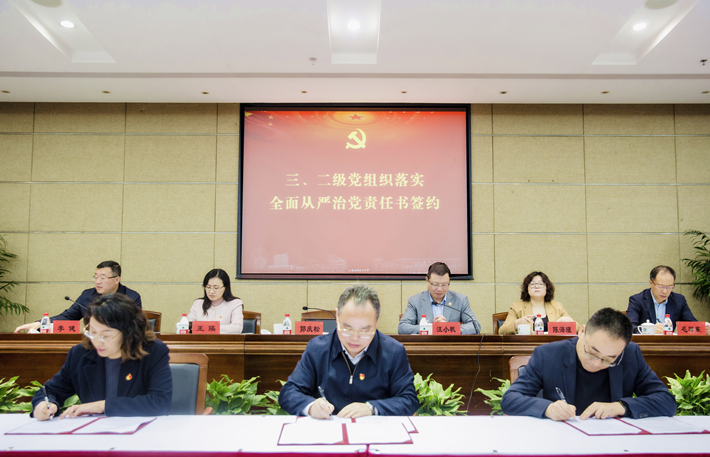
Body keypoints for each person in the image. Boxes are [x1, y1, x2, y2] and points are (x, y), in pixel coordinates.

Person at [500, 308, 676, 420]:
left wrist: (620, 407)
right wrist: (548, 408)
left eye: (609, 359)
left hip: (613, 442)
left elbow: (666, 401)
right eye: (592, 352)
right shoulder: (548, 355)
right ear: (582, 331)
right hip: (562, 441)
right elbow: (510, 399)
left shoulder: (630, 355)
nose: (597, 363)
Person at [279, 284, 419, 418]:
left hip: (374, 430)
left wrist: (372, 408)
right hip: (328, 429)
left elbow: (409, 400)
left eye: (365, 330)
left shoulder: (393, 352)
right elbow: (288, 393)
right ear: (337, 318)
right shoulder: (317, 349)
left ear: (376, 322)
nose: (355, 338)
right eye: (347, 329)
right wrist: (311, 406)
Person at [31, 293, 172, 420]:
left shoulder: (153, 351)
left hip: (141, 433)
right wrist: (44, 404)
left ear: (128, 332)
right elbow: (50, 391)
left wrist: (102, 406)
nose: (97, 341)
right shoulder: (80, 354)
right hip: (93, 433)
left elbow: (159, 402)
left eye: (105, 335)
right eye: (92, 332)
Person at [15, 260, 142, 333]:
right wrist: (40, 323)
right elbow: (68, 317)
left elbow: (134, 326)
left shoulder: (131, 297)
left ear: (116, 279)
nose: (97, 282)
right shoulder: (87, 295)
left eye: (102, 278)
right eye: (95, 277)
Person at [398, 262, 480, 335]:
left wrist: (447, 328)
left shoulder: (461, 300)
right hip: (425, 345)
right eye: (435, 284)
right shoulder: (415, 301)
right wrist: (430, 328)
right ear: (427, 281)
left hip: (451, 346)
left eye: (444, 285)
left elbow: (475, 326)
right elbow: (402, 327)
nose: (440, 289)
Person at [627, 265, 709, 334]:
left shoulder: (679, 300)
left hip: (670, 344)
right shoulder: (637, 300)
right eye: (661, 286)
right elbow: (629, 328)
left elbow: (691, 324)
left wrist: (703, 328)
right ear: (651, 283)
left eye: (670, 287)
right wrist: (649, 330)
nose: (665, 291)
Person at [499, 271, 577, 335]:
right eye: (532, 284)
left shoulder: (557, 306)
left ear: (547, 288)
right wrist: (516, 324)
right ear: (527, 288)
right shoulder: (517, 307)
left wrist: (570, 322)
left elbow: (578, 329)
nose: (537, 286)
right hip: (528, 346)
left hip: (552, 345)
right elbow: (502, 331)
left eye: (541, 284)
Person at [187, 269, 244, 334]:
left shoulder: (235, 303)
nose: (211, 291)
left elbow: (237, 328)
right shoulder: (198, 303)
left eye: (216, 288)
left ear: (225, 287)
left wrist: (207, 328)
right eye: (208, 287)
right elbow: (188, 326)